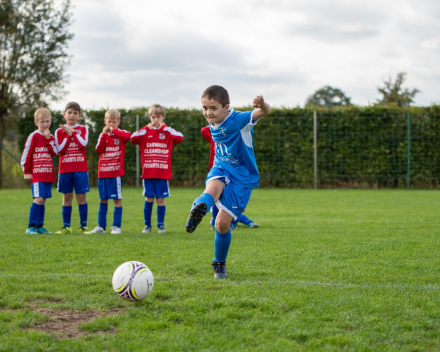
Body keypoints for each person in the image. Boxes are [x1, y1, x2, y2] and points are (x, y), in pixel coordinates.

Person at [186, 85, 270, 278]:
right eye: (205, 108)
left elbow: (264, 113)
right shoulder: (212, 121)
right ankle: (198, 209)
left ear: (226, 107)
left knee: (221, 224)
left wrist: (263, 105)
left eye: (213, 108)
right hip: (221, 167)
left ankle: (220, 262)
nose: (208, 112)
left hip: (242, 176)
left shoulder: (239, 119)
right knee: (212, 189)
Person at [131, 104, 183, 234]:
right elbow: (133, 138)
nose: (155, 120)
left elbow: (180, 137)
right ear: (150, 117)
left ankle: (161, 226)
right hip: (148, 173)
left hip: (162, 173)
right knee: (149, 198)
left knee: (160, 199)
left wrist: (165, 127)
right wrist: (146, 128)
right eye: (153, 117)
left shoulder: (167, 132)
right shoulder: (145, 132)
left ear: (163, 117)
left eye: (158, 117)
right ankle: (147, 225)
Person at [201, 126, 260, 231]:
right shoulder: (214, 135)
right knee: (217, 201)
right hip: (217, 172)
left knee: (229, 203)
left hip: (232, 173)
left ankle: (238, 223)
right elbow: (204, 130)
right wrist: (217, 123)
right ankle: (216, 222)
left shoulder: (233, 138)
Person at [87, 109, 131, 234]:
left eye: (114, 122)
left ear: (118, 122)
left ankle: (116, 226)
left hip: (115, 173)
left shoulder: (121, 134)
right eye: (109, 122)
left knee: (117, 199)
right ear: (105, 121)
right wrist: (103, 134)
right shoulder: (103, 135)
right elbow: (98, 149)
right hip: (103, 173)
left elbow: (128, 136)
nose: (111, 124)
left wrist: (114, 131)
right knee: (103, 199)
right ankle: (101, 226)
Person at [21, 108, 58, 235]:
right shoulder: (33, 136)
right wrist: (26, 170)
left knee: (43, 200)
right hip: (37, 173)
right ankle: (30, 227)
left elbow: (54, 152)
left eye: (48, 121)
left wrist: (48, 139)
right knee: (38, 198)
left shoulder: (51, 137)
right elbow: (26, 154)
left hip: (47, 174)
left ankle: (39, 226)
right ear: (36, 122)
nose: (45, 124)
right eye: (42, 122)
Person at [54, 102, 90, 234]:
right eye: (69, 112)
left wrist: (73, 133)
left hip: (80, 169)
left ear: (79, 116)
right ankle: (66, 227)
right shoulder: (59, 131)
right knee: (67, 196)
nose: (72, 115)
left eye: (75, 113)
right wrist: (68, 135)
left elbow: (82, 144)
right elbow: (61, 150)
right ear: (64, 114)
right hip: (65, 170)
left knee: (81, 196)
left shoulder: (84, 129)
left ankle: (83, 226)